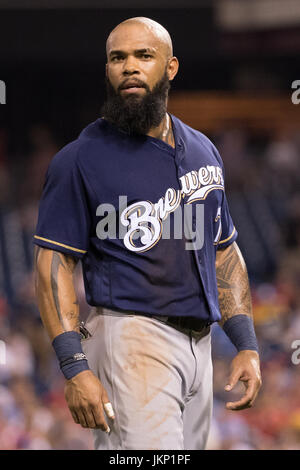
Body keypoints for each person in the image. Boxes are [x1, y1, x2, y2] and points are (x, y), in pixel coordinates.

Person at [34, 17, 262, 450]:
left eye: (143, 55)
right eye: (117, 58)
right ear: (107, 70)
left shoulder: (203, 150)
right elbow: (53, 264)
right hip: (131, 337)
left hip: (200, 344)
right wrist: (74, 365)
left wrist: (245, 344)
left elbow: (223, 252)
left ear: (171, 68)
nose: (129, 67)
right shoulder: (80, 159)